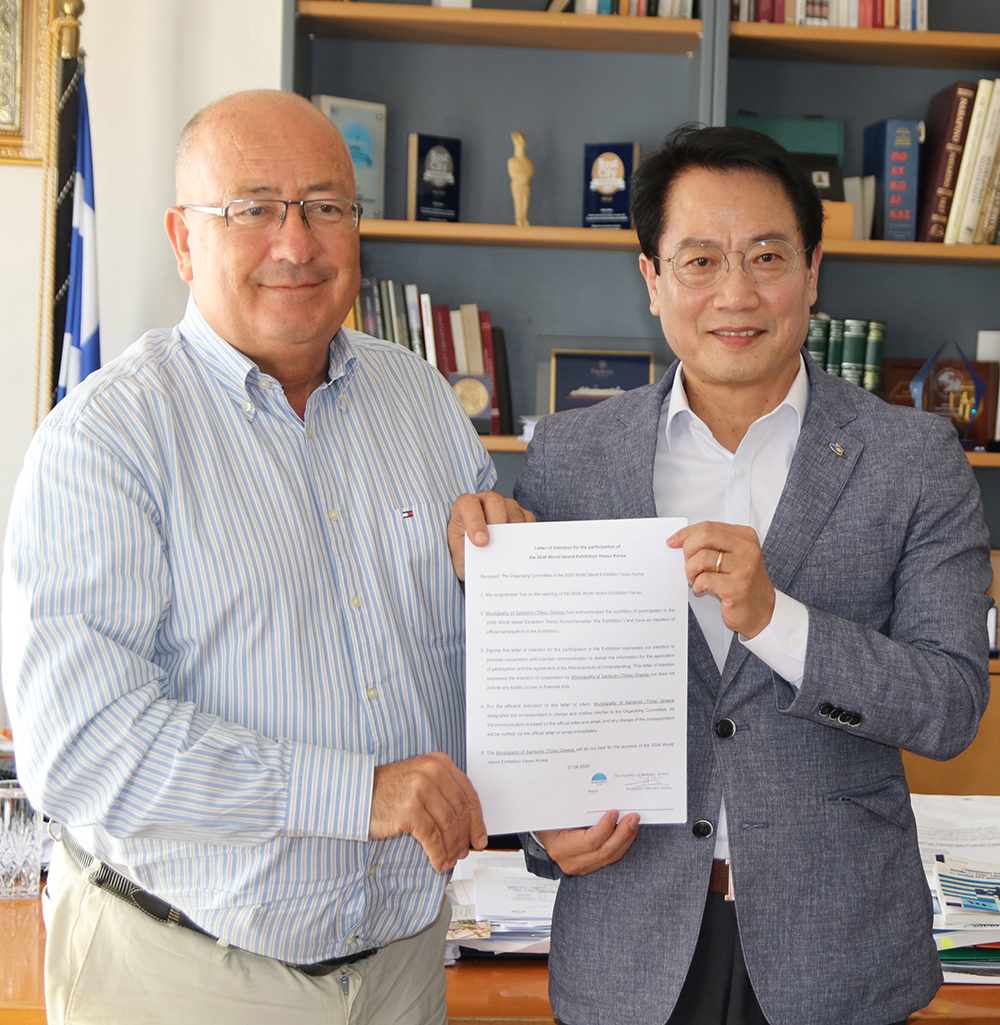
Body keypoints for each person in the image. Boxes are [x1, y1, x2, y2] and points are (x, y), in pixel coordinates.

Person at [2, 89, 527, 1025]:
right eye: (252, 210)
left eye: (326, 207)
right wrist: (357, 793)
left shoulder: (423, 402)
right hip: (186, 975)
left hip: (405, 969)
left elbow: (475, 662)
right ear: (183, 239)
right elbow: (79, 745)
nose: (297, 243)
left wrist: (499, 570)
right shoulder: (107, 438)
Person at [506, 124, 992, 1025]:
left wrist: (776, 620)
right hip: (628, 945)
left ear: (813, 271)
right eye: (699, 261)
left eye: (767, 256)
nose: (736, 293)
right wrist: (542, 828)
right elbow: (532, 699)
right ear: (652, 279)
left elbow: (952, 704)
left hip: (839, 953)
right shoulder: (571, 457)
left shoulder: (914, 458)